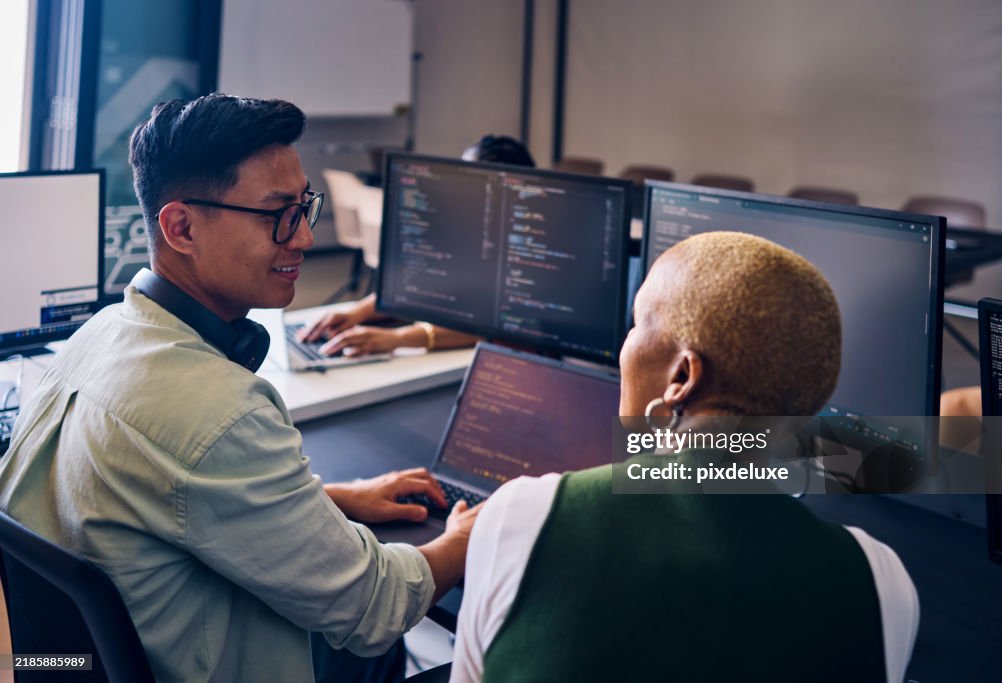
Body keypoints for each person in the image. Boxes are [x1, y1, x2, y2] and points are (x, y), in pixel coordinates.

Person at [0, 94, 478, 683]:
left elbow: (164, 501)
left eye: (305, 207)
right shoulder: (215, 413)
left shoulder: (99, 335)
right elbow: (374, 608)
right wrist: (471, 532)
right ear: (180, 227)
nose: (303, 237)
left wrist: (330, 499)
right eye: (278, 212)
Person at [451, 232, 920, 683]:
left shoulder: (526, 517)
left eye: (636, 324)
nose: (625, 345)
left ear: (680, 377)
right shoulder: (882, 582)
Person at [298, 135, 535, 356]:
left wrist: (398, 338)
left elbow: (499, 327)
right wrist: (356, 312)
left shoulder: (525, 251)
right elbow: (414, 291)